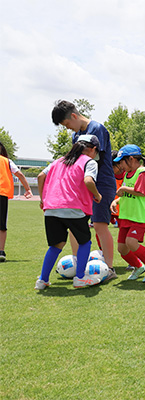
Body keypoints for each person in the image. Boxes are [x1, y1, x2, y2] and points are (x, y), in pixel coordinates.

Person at [52, 100, 117, 280]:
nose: (68, 129)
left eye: (67, 124)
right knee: (74, 225)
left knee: (99, 225)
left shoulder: (97, 129)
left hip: (101, 183)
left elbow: (92, 159)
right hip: (82, 185)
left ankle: (110, 269)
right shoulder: (76, 136)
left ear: (74, 116)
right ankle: (79, 265)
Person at [35, 135, 103, 289]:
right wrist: (97, 195)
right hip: (74, 208)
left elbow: (40, 176)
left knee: (56, 245)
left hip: (51, 208)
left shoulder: (58, 161)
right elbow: (88, 181)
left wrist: (42, 199)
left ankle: (42, 280)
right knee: (85, 241)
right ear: (93, 149)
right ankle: (80, 278)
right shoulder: (89, 161)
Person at [111, 145, 145, 282]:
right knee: (122, 248)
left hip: (139, 217)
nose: (120, 165)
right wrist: (117, 201)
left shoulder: (142, 172)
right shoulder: (128, 174)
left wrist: (122, 188)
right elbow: (129, 194)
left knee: (131, 242)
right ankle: (138, 266)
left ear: (131, 159)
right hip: (127, 216)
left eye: (121, 161)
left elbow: (140, 191)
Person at [0, 141, 33, 262]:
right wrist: (28, 189)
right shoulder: (6, 161)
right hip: (1, 194)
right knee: (2, 225)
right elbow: (20, 174)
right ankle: (1, 251)